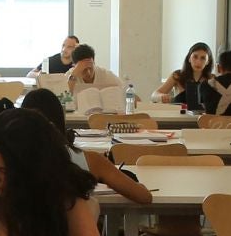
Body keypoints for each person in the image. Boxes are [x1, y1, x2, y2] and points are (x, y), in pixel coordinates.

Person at [20, 87, 151, 206]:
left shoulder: (11, 160)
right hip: (74, 231)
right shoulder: (89, 160)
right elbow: (144, 197)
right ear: (61, 120)